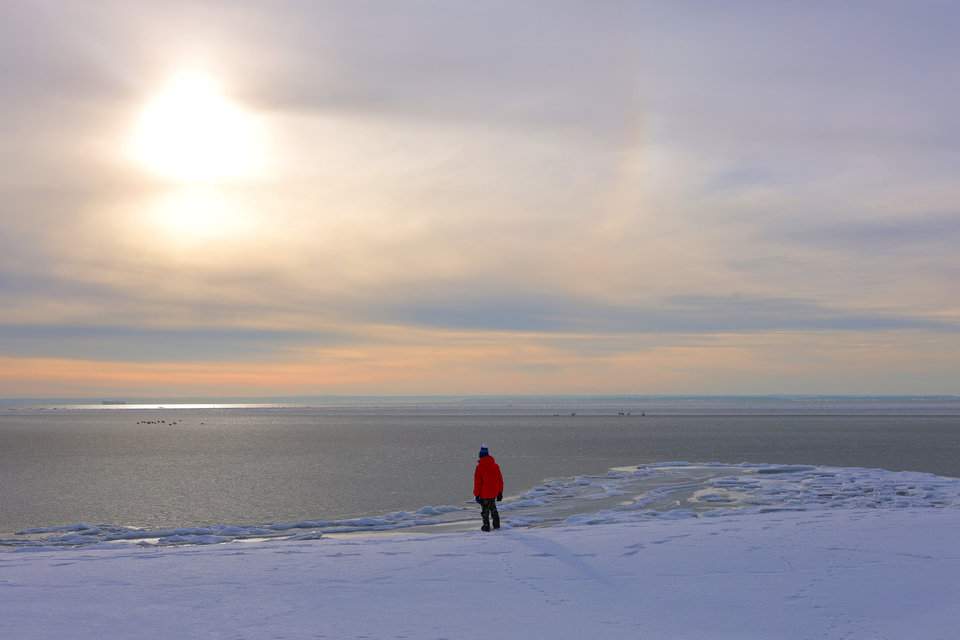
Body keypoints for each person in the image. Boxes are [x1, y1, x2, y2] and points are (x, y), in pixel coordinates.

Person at [473, 443, 504, 532]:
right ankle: (496, 525)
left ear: (480, 455)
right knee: (493, 508)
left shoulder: (479, 467)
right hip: (494, 492)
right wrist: (500, 492)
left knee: (485, 511)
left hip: (484, 493)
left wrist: (476, 494)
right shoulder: (495, 466)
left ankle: (486, 526)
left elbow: (477, 482)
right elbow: (500, 480)